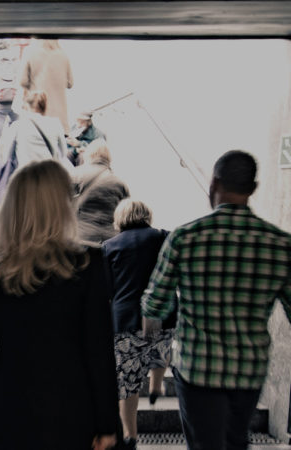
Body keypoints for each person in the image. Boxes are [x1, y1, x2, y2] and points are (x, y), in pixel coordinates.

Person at [0, 159, 118, 450]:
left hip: (9, 402)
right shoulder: (88, 264)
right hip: (71, 404)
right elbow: (99, 350)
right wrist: (107, 422)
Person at [142, 150, 291, 450]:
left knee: (204, 445)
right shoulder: (280, 245)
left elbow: (155, 304)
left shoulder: (185, 238)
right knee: (235, 441)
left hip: (198, 369)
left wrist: (153, 356)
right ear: (252, 189)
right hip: (249, 371)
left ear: (213, 184)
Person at [102, 199, 173, 450]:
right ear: (147, 215)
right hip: (163, 313)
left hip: (126, 318)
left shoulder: (109, 246)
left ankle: (131, 436)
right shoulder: (164, 237)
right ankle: (156, 385)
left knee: (128, 381)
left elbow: (107, 289)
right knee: (160, 349)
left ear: (119, 218)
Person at [73, 139, 130, 243]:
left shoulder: (75, 175)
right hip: (109, 241)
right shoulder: (120, 183)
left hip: (80, 237)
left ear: (88, 155)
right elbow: (126, 215)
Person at [20, 39, 73, 133]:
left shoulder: (31, 53)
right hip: (60, 119)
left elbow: (23, 82)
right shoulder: (63, 55)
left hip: (38, 113)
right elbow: (70, 83)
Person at [5, 90, 70, 168]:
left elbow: (7, 155)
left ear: (26, 106)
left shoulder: (18, 125)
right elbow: (64, 153)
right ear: (45, 106)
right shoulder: (55, 123)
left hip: (26, 174)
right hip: (49, 173)